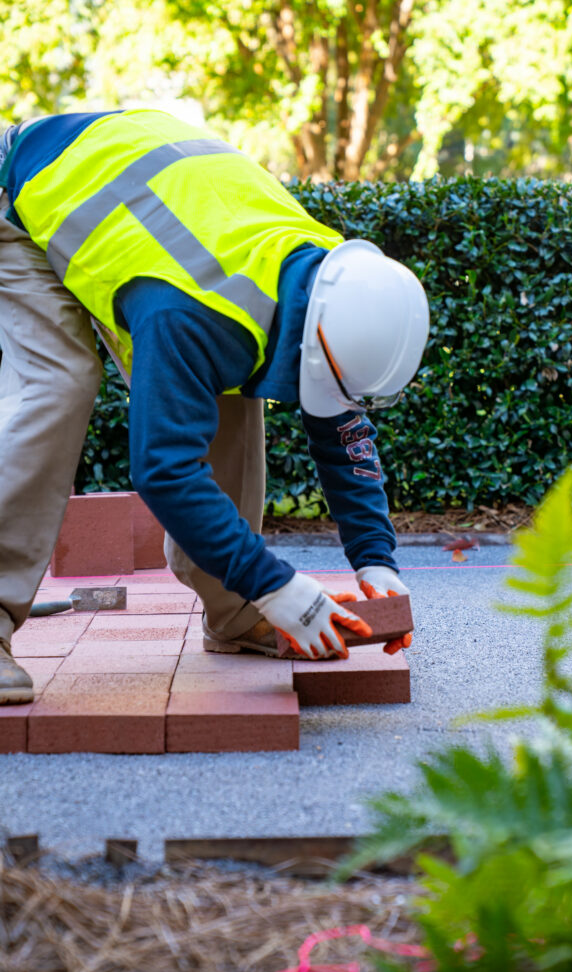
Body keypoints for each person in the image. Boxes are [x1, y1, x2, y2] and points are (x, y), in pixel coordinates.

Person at [0, 108, 430, 706]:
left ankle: (234, 614)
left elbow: (341, 425)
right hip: (21, 196)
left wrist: (376, 562)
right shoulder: (190, 312)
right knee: (61, 384)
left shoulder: (331, 278)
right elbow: (163, 468)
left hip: (138, 214)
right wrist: (277, 585)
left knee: (231, 372)